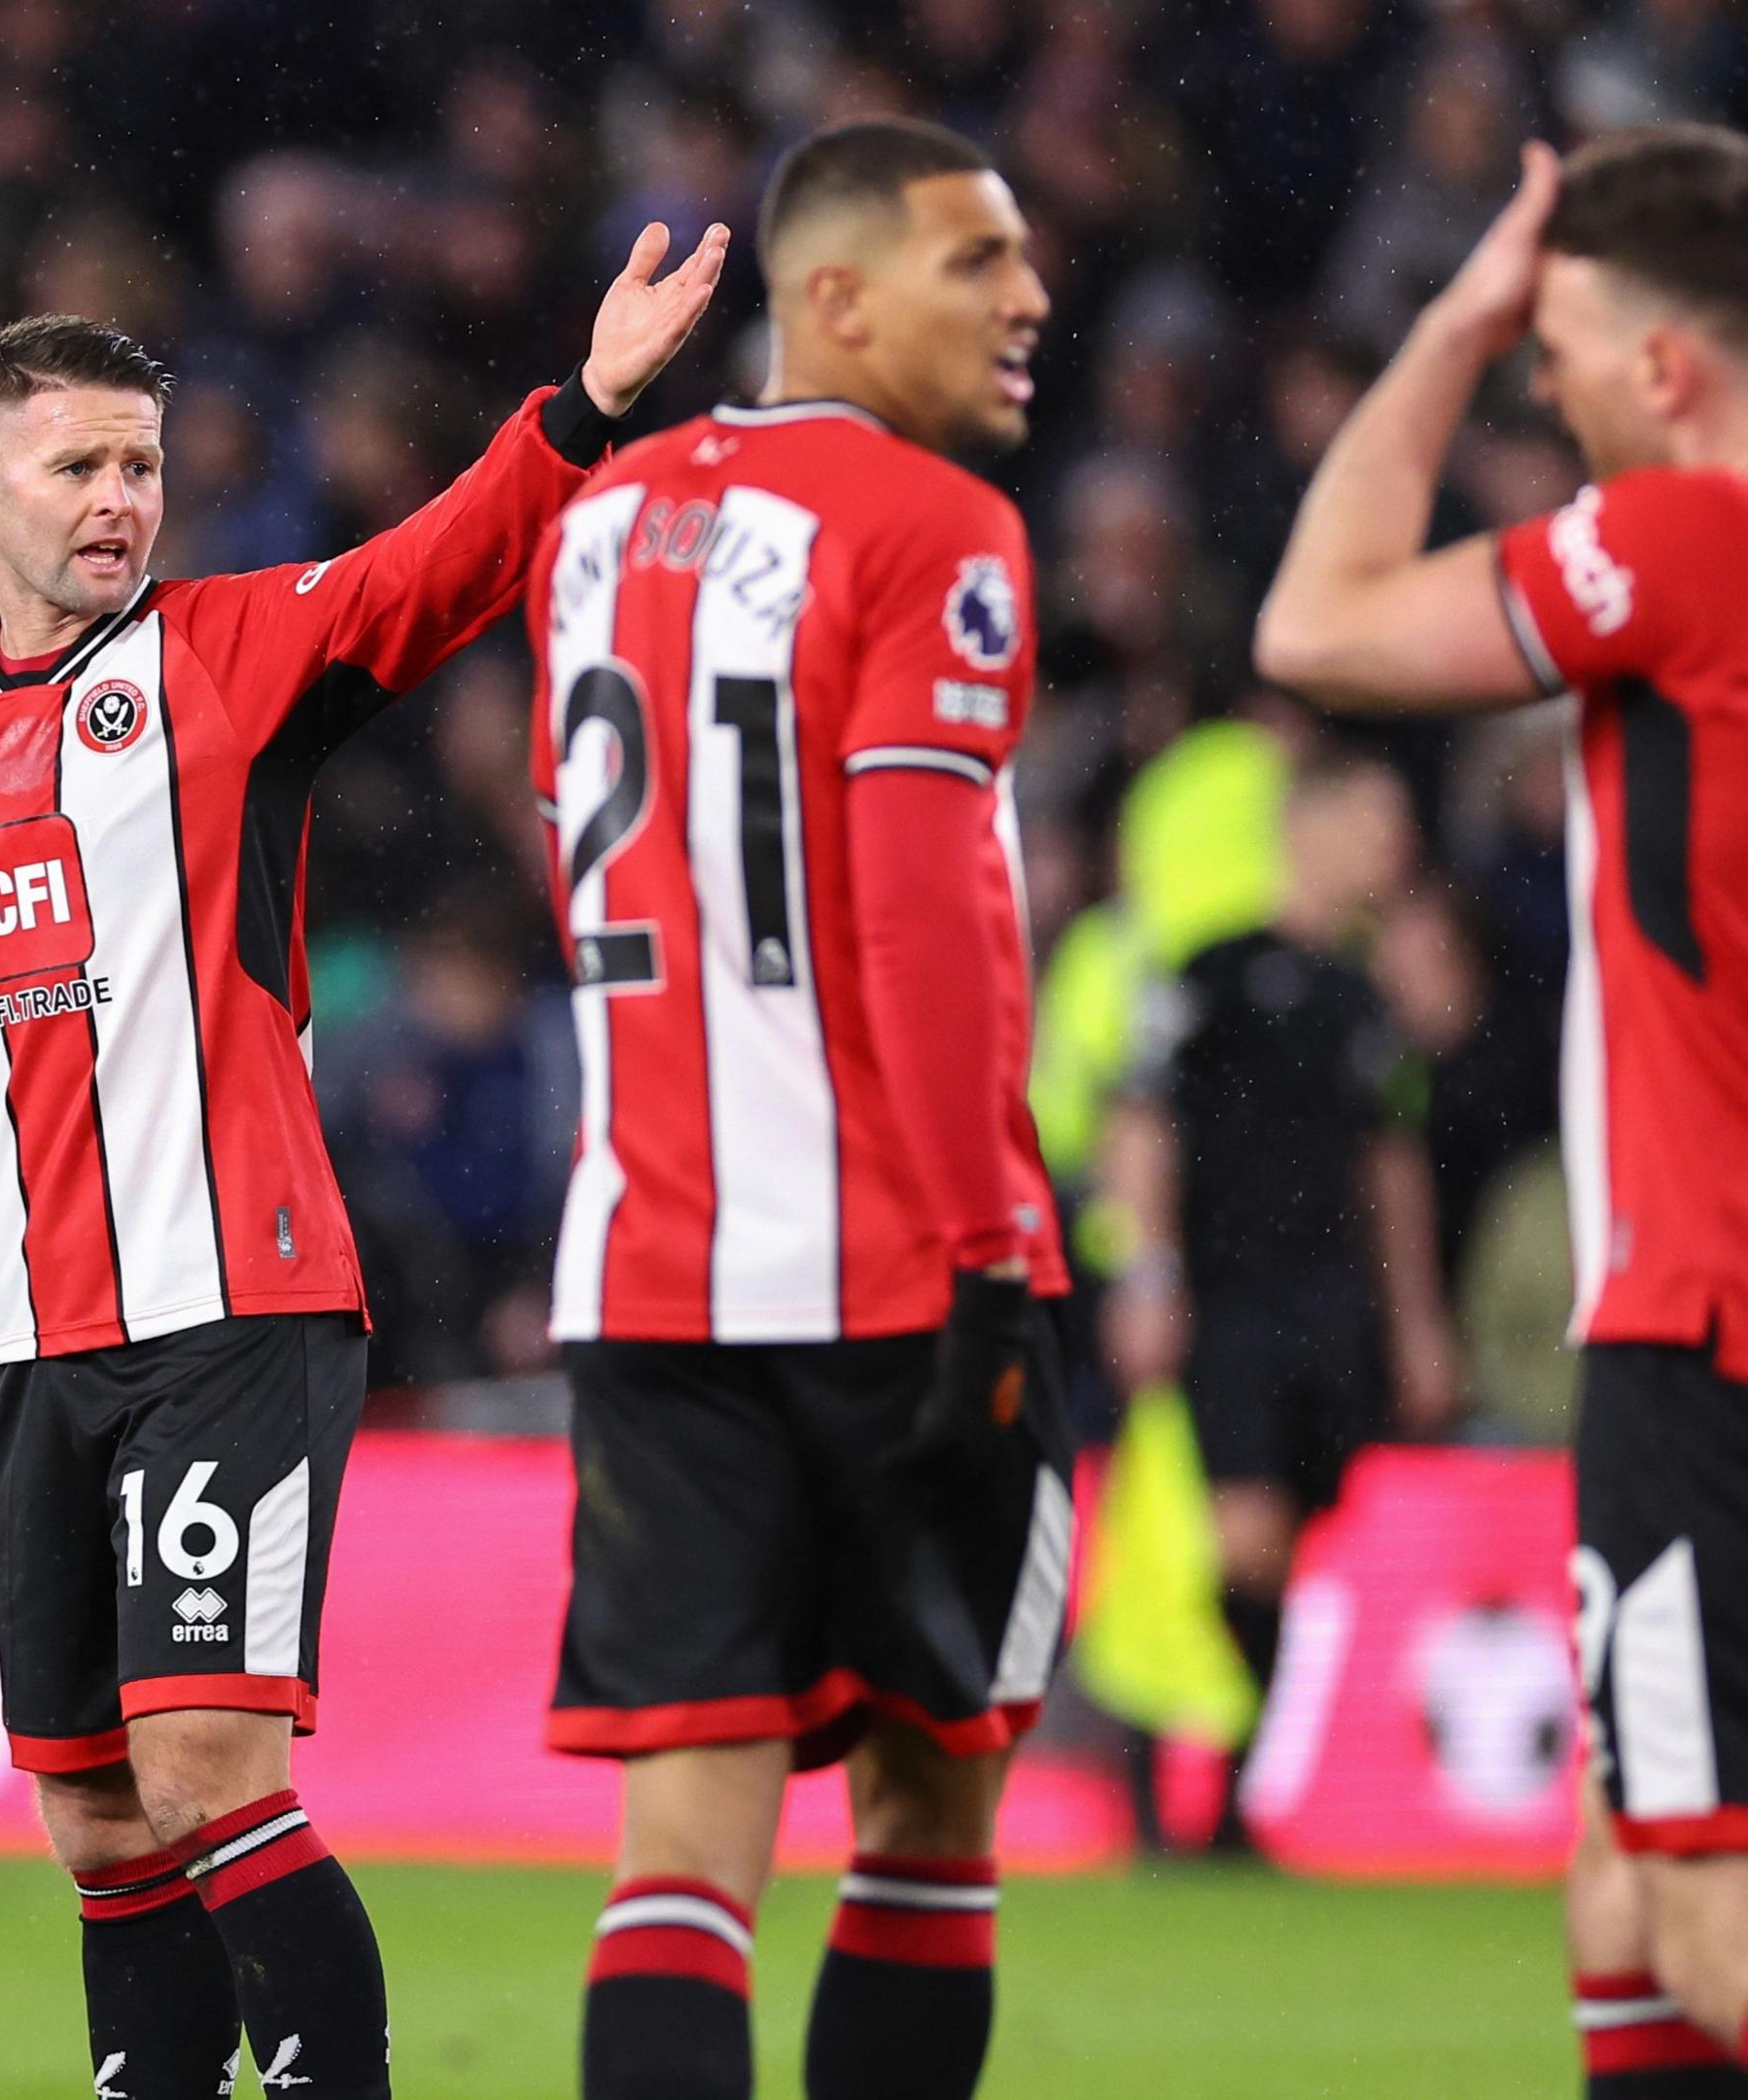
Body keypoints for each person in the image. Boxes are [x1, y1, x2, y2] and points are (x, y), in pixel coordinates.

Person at [0, 228, 728, 2099]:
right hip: (42, 1336)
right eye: (77, 463)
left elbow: (438, 568)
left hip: (237, 1299)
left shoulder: (231, 658)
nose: (118, 499)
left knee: (208, 1771)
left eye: (144, 464)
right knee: (94, 1821)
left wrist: (589, 407)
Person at [1258, 124, 1748, 2100]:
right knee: (1630, 1884)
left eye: (1572, 350)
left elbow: (1317, 623)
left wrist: (1446, 317)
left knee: (1734, 1925)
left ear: (1674, 366)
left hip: (1722, 1332)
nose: (1553, 384)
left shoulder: (1691, 544)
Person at [523, 119, 1066, 2100]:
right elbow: (923, 913)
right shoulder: (936, 529)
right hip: (896, 1271)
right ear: (832, 295)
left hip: (651, 1269)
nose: (1030, 298)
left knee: (683, 1853)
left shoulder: (597, 524)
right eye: (976, 262)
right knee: (932, 1813)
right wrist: (994, 1254)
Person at [1101, 742, 1465, 1849]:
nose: (1391, 850)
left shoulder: (1364, 999)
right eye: (1373, 824)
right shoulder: (1210, 972)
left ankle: (1224, 1796)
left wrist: (1415, 1326)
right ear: (1308, 830)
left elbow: (1388, 1165)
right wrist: (1148, 1273)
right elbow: (1140, 1123)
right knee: (1240, 1539)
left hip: (1329, 1302)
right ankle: (1177, 1792)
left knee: (1292, 1541)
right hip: (1230, 1299)